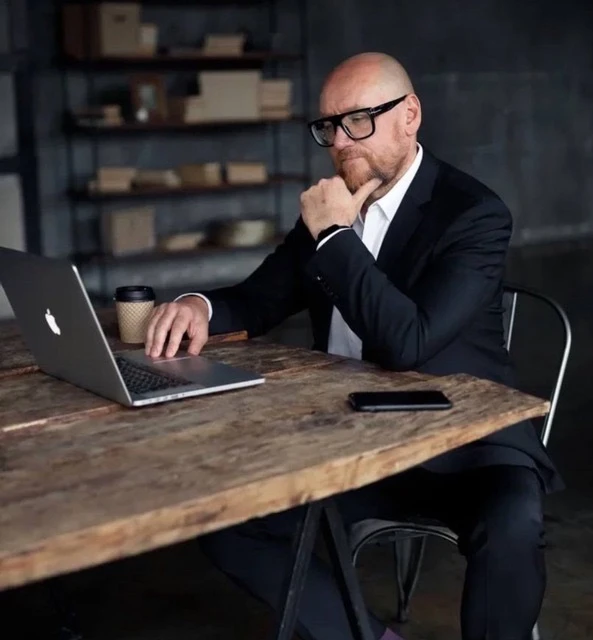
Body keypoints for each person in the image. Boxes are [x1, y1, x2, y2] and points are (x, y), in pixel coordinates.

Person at [145, 52, 563, 640]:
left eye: (359, 120)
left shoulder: (472, 213)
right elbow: (260, 298)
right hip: (346, 436)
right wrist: (199, 306)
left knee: (513, 524)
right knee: (227, 524)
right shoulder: (331, 207)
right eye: (329, 125)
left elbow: (407, 342)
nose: (341, 141)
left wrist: (336, 236)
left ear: (410, 115)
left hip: (464, 440)